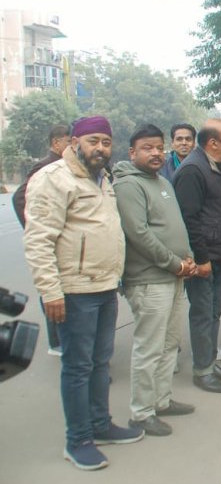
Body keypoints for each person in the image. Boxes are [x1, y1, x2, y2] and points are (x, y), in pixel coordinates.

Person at [23, 115, 144, 471]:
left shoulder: (102, 178)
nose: (101, 148)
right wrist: (51, 292)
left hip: (105, 285)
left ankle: (100, 424)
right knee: (77, 366)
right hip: (74, 290)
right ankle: (77, 440)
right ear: (74, 142)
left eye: (106, 142)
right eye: (93, 141)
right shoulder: (53, 179)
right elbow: (39, 240)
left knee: (99, 362)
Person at [113, 124, 196, 437]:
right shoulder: (128, 185)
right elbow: (138, 233)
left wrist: (185, 259)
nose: (156, 153)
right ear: (132, 152)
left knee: (170, 343)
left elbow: (173, 226)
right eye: (147, 148)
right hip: (150, 280)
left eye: (159, 147)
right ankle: (141, 412)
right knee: (149, 347)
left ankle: (161, 400)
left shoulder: (162, 181)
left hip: (174, 276)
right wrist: (174, 263)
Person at [173, 119, 221, 394]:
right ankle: (202, 370)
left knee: (213, 311)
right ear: (213, 143)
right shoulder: (193, 170)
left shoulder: (213, 166)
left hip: (217, 255)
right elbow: (189, 220)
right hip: (205, 258)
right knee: (203, 313)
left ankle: (210, 363)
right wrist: (201, 259)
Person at [13, 122, 70, 355]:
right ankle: (56, 341)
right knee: (51, 289)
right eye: (69, 141)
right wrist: (35, 226)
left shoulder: (67, 166)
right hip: (51, 241)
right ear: (56, 143)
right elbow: (19, 198)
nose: (73, 146)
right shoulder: (46, 167)